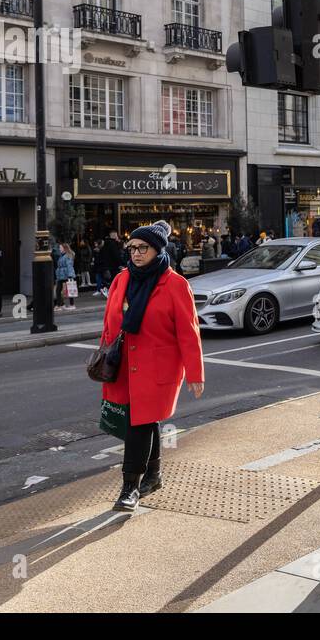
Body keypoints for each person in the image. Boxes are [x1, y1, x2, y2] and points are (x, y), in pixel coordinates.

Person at [98, 220, 205, 514]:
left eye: (142, 248)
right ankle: (154, 475)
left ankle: (129, 486)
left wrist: (195, 373)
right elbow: (109, 324)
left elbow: (188, 331)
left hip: (158, 368)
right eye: (131, 248)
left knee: (138, 423)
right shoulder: (122, 279)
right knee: (146, 420)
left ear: (157, 250)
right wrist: (105, 356)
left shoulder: (175, 284)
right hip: (124, 365)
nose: (135, 253)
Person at [95, 231, 123, 296]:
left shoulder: (105, 244)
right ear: (114, 236)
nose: (117, 237)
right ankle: (110, 291)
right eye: (116, 235)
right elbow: (116, 255)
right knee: (115, 279)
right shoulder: (113, 244)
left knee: (110, 279)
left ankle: (107, 290)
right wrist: (120, 263)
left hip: (106, 266)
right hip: (113, 266)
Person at [54, 243, 77, 311]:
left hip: (66, 275)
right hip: (62, 275)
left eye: (60, 248)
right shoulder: (62, 256)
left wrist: (70, 276)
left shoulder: (67, 256)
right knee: (58, 290)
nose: (59, 249)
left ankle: (71, 305)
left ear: (64, 248)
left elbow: (69, 266)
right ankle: (61, 304)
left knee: (69, 290)